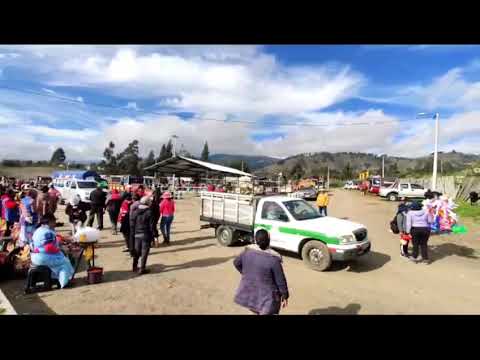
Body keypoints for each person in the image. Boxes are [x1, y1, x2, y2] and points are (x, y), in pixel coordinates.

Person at [233, 230, 289, 315]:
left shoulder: (247, 252)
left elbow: (236, 263)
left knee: (255, 310)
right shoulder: (273, 259)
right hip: (268, 299)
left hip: (251, 294)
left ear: (256, 240)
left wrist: (246, 274)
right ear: (269, 241)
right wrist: (285, 296)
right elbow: (280, 281)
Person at [30, 214, 74, 288]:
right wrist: (61, 249)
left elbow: (53, 239)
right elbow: (48, 248)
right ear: (50, 222)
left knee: (60, 259)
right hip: (43, 257)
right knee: (65, 262)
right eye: (54, 221)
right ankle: (63, 283)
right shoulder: (47, 232)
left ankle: (56, 279)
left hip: (36, 256)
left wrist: (62, 241)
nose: (55, 223)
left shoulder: (39, 230)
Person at [130, 196, 155, 275]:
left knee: (137, 251)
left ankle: (134, 266)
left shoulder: (135, 211)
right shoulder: (149, 212)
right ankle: (142, 268)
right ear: (148, 203)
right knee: (144, 252)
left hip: (136, 234)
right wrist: (153, 237)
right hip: (145, 234)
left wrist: (133, 234)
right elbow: (152, 226)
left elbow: (132, 224)